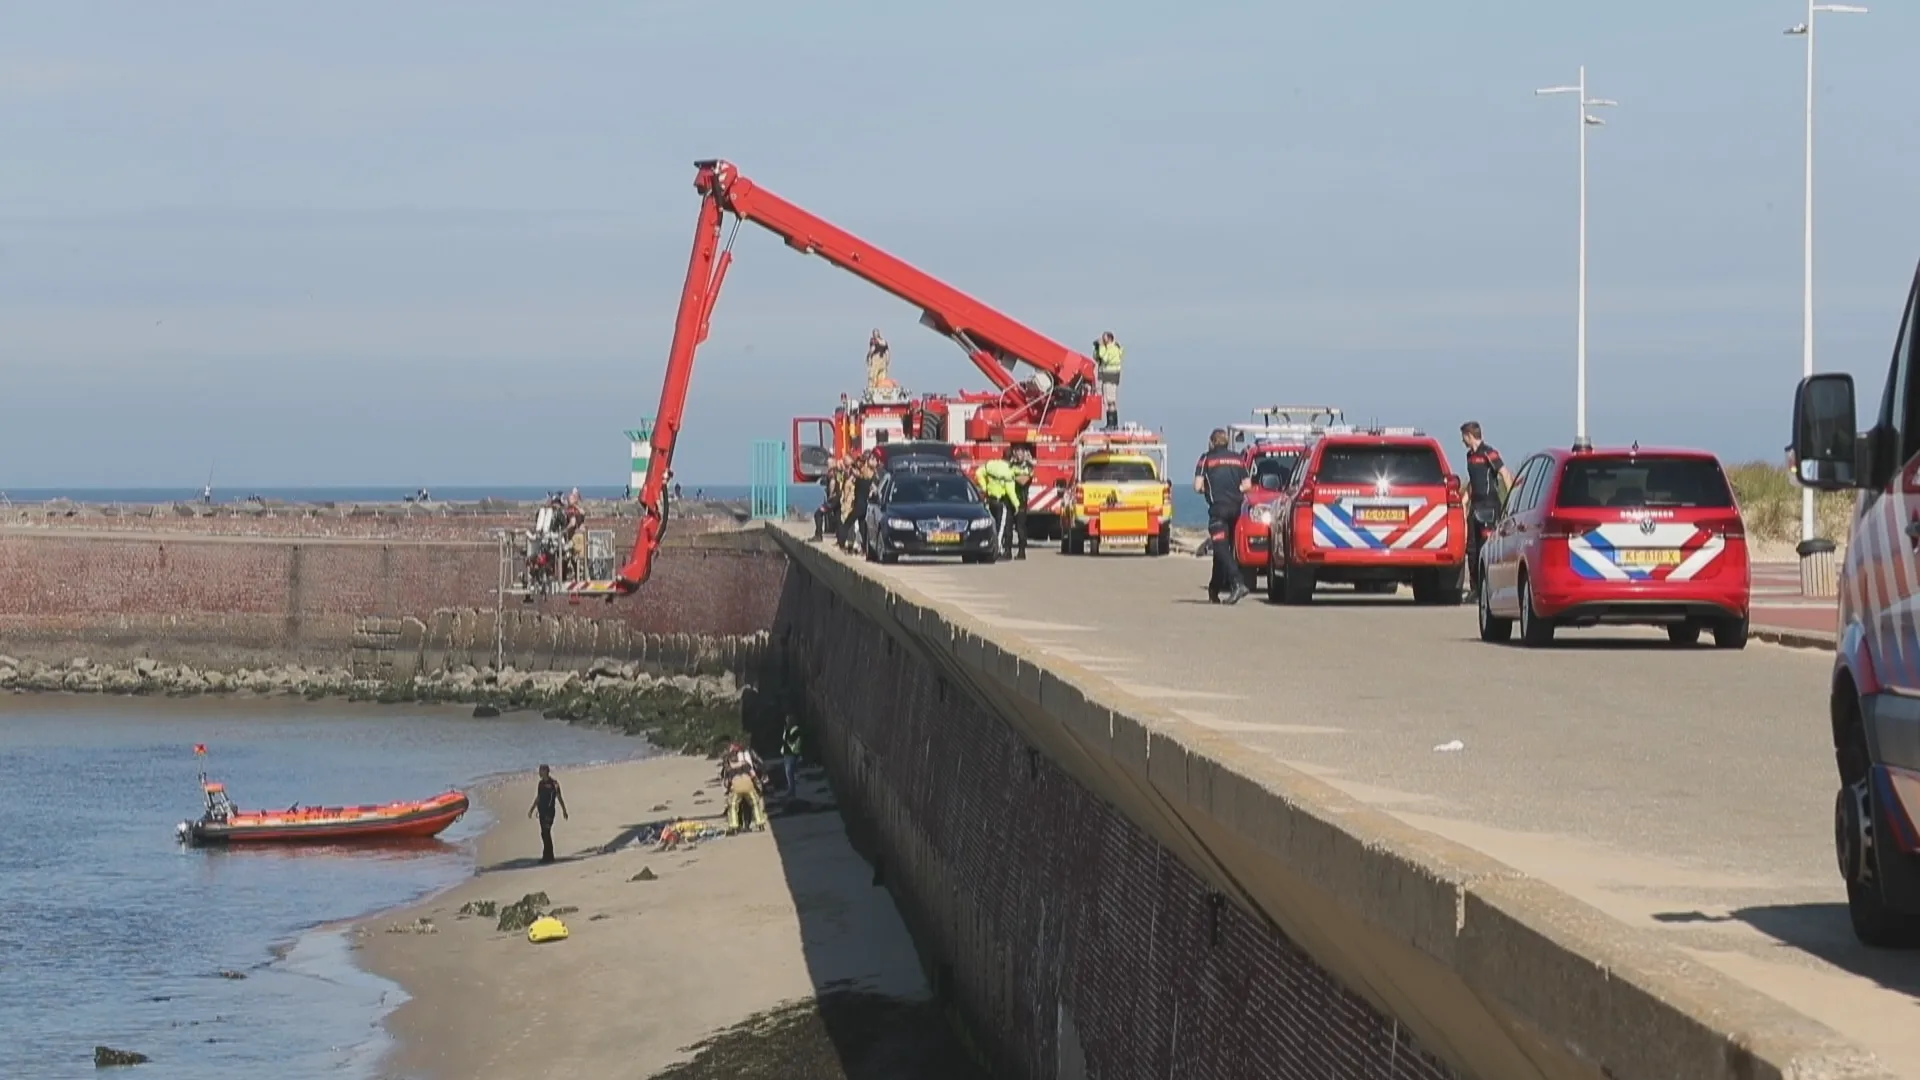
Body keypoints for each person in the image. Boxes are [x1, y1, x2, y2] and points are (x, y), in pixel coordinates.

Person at [1459, 421, 1516, 601]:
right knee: (1472, 549)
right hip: (1475, 507)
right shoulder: (1469, 457)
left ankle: (1489, 589)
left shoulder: (1488, 453)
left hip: (1490, 507)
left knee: (1487, 549)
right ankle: (1476, 589)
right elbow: (1472, 481)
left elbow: (1505, 475)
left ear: (1469, 435)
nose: (1462, 441)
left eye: (1463, 437)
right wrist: (1464, 502)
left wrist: (1510, 502)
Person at [1194, 428, 1252, 604]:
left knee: (1220, 548)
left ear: (1212, 442)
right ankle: (1214, 589)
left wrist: (1211, 490)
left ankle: (1237, 582)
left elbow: (1197, 486)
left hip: (1218, 508)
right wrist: (1235, 492)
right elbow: (1247, 485)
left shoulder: (1206, 459)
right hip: (1235, 509)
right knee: (1222, 549)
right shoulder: (1237, 459)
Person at [975, 455, 1019, 558]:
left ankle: (992, 547)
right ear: (1011, 459)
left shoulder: (991, 464)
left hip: (991, 500)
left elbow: (978, 473)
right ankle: (997, 550)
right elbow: (1010, 490)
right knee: (1001, 528)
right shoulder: (1008, 470)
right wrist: (1016, 505)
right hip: (1001, 502)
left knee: (993, 526)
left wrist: (984, 487)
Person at [721, 740, 768, 833]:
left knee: (733, 806)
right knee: (755, 804)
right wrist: (758, 787)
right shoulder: (745, 764)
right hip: (748, 784)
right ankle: (760, 823)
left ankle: (734, 825)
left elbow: (727, 781)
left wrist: (728, 789)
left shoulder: (729, 768)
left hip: (736, 786)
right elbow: (753, 775)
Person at [526, 764, 568, 864]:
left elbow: (559, 797)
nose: (539, 773)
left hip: (550, 812)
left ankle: (548, 856)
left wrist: (564, 810)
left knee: (546, 832)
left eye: (541, 771)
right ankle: (547, 855)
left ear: (546, 771)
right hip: (542, 812)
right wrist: (532, 809)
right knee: (544, 833)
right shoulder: (540, 784)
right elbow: (539, 797)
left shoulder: (554, 784)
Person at [1006, 443, 1035, 560]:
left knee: (1020, 528)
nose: (1018, 453)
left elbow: (1024, 481)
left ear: (1025, 453)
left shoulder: (1028, 466)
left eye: (1020, 451)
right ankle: (1007, 551)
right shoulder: (1010, 465)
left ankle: (1021, 552)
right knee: (1007, 528)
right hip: (1009, 501)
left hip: (1021, 501)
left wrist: (1011, 476)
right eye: (1016, 450)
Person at [1093, 331, 1124, 429]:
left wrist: (1101, 347)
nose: (1103, 340)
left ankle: (1112, 424)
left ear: (1109, 339)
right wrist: (1097, 348)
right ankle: (1112, 424)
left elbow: (1105, 359)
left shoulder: (1113, 349)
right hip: (1107, 376)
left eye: (1104, 339)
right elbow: (1097, 358)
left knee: (1110, 400)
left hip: (1110, 376)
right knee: (1109, 400)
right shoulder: (1108, 349)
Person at [780, 716, 804, 796]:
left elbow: (790, 740)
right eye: (786, 721)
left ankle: (792, 791)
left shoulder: (795, 730)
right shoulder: (788, 730)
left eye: (788, 721)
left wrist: (786, 731)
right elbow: (784, 739)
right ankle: (791, 789)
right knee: (788, 773)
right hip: (787, 754)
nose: (787, 723)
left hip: (792, 754)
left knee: (790, 772)